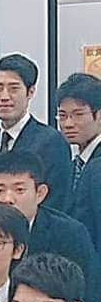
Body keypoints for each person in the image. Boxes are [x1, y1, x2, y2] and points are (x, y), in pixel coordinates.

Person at [0, 149, 99, 302]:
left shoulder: (70, 234)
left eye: (19, 190)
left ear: (40, 193)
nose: (8, 199)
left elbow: (89, 298)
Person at [0, 54, 73, 212]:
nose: (4, 97)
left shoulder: (51, 141)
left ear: (30, 92)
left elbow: (57, 201)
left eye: (13, 89)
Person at [57, 72, 101, 250]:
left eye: (78, 114)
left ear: (98, 115)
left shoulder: (97, 166)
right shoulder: (74, 163)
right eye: (62, 115)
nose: (68, 123)